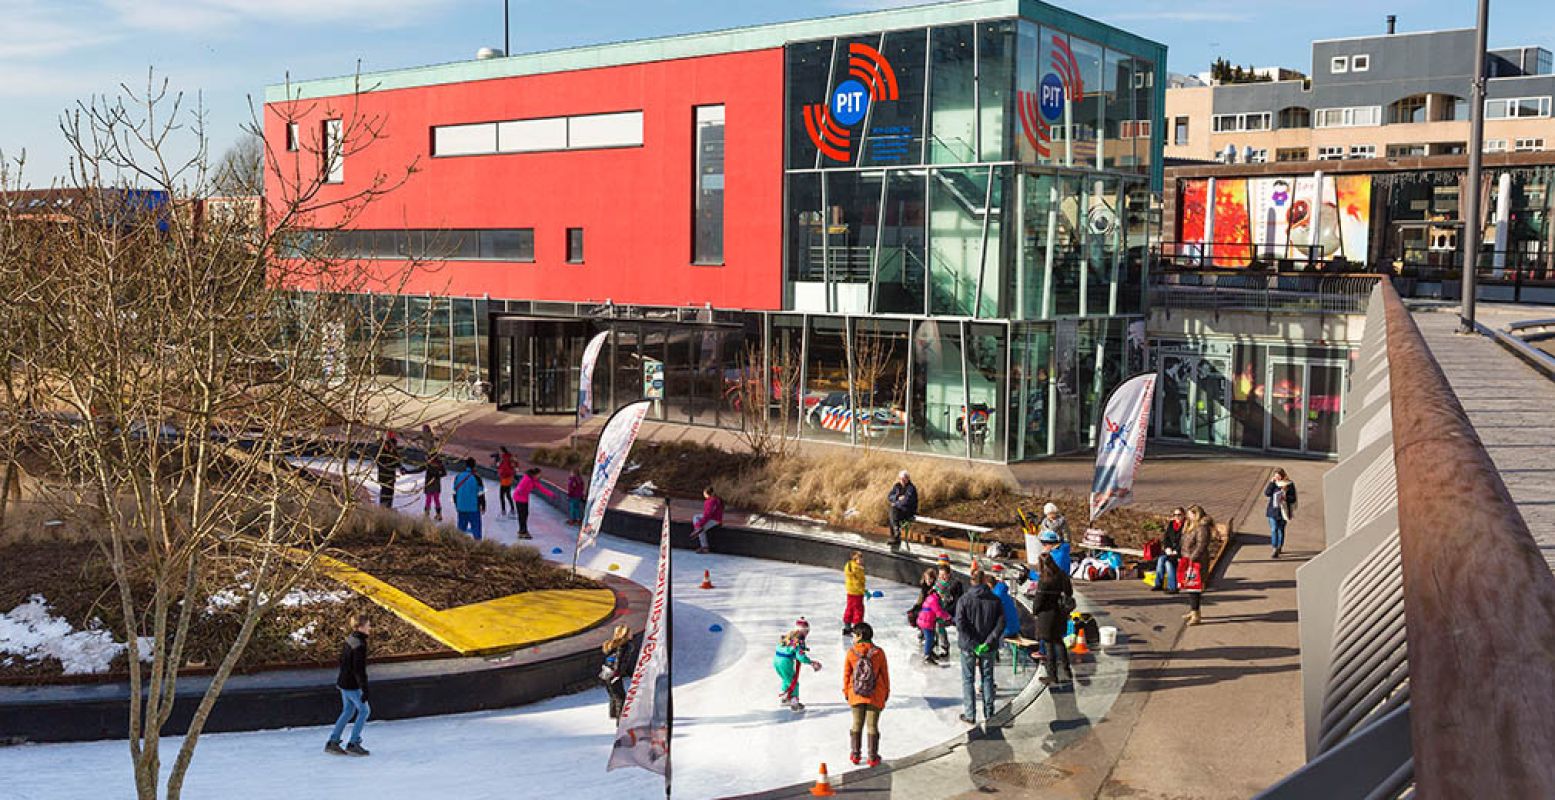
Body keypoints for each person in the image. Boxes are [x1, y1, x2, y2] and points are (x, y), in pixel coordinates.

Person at [954, 569, 1005, 725]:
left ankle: (970, 714)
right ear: (984, 581)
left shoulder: (964, 600)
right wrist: (987, 642)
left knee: (968, 679)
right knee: (988, 679)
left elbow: (961, 624)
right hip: (988, 647)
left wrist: (974, 644)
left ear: (971, 581)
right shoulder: (995, 600)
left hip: (968, 647)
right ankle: (989, 713)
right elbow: (1001, 624)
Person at [842, 622, 890, 768]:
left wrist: (846, 691)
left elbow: (847, 674)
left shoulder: (851, 652)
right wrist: (886, 692)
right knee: (872, 725)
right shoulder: (879, 652)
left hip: (856, 693)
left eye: (854, 635)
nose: (853, 639)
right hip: (875, 694)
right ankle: (872, 757)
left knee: (857, 723)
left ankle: (855, 755)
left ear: (860, 635)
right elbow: (884, 674)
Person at [1032, 530, 1075, 686]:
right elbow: (1069, 592)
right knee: (1059, 641)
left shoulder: (1044, 581)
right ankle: (1067, 670)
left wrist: (1034, 611)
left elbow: (1038, 601)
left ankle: (1052, 675)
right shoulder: (1062, 575)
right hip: (1060, 612)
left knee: (1049, 645)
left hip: (1046, 616)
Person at [325, 614, 372, 757]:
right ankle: (353, 743)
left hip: (343, 682)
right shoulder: (359, 645)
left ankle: (333, 742)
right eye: (368, 625)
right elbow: (359, 669)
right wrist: (364, 688)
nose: (370, 628)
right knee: (364, 711)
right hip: (352, 685)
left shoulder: (350, 639)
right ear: (360, 627)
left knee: (348, 711)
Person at [773, 618, 822, 711]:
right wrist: (811, 662)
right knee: (794, 682)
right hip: (785, 663)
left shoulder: (788, 636)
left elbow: (786, 647)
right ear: (803, 631)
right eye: (807, 631)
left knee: (786, 679)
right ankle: (794, 702)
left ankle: (784, 697)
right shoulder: (798, 640)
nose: (807, 634)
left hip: (776, 660)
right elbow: (801, 657)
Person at [1181, 505, 1214, 625]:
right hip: (1188, 559)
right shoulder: (1192, 526)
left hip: (1196, 562)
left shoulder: (1202, 528)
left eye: (1190, 514)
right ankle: (1194, 611)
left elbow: (1201, 545)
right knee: (1191, 588)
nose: (1188, 516)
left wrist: (1192, 558)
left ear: (1196, 514)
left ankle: (1196, 614)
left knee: (1194, 588)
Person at [600, 624, 635, 720]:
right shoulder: (625, 645)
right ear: (624, 634)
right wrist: (617, 673)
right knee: (621, 697)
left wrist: (631, 674)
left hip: (606, 672)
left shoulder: (613, 645)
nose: (632, 634)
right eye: (630, 632)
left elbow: (623, 663)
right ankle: (621, 720)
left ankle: (613, 714)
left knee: (613, 694)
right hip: (613, 673)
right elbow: (620, 660)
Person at [915, 582, 953, 665]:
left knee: (931, 638)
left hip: (927, 621)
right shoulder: (934, 600)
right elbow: (939, 612)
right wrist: (948, 617)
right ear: (938, 591)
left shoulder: (932, 597)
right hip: (926, 622)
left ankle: (930, 653)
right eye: (943, 593)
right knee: (930, 639)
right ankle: (927, 656)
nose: (944, 595)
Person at [931, 564, 963, 660]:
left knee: (939, 623)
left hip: (953, 612)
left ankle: (946, 647)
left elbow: (958, 601)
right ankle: (934, 643)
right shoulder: (938, 583)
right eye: (940, 575)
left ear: (949, 574)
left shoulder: (956, 584)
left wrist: (946, 613)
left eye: (944, 575)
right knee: (931, 620)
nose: (942, 578)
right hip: (941, 611)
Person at [512, 468, 554, 540]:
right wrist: (521, 493)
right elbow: (520, 488)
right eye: (539, 474)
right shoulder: (527, 479)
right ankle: (522, 532)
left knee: (525, 514)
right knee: (522, 515)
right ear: (535, 474)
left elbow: (541, 488)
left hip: (524, 499)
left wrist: (551, 494)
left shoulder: (534, 481)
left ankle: (523, 530)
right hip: (519, 499)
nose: (540, 476)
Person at [1264, 468, 1297, 558]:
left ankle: (1279, 546)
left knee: (1281, 530)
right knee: (1274, 529)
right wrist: (1271, 483)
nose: (1276, 477)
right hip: (1273, 511)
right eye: (1275, 476)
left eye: (1278, 476)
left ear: (1282, 475)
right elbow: (1267, 493)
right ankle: (1275, 548)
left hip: (1283, 511)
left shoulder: (1289, 484)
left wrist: (1285, 498)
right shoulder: (1274, 484)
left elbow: (1293, 498)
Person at [1154, 507, 1186, 593]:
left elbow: (1185, 541)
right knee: (1161, 559)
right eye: (1175, 515)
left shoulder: (1186, 526)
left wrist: (1177, 551)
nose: (1177, 517)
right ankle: (1158, 584)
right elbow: (1166, 538)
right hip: (1170, 550)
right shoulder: (1172, 524)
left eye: (1179, 515)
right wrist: (1167, 548)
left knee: (1168, 563)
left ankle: (1172, 587)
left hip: (1180, 552)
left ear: (1184, 515)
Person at [451, 458, 485, 540]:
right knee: (476, 528)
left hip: (461, 506)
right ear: (474, 466)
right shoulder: (477, 478)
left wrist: (457, 505)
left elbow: (454, 493)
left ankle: (459, 545)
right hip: (473, 508)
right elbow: (481, 494)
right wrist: (483, 506)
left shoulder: (458, 476)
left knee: (461, 529)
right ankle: (477, 545)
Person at [990, 567, 1021, 655]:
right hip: (1015, 628)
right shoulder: (1003, 594)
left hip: (1007, 630)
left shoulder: (996, 596)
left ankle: (989, 655)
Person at [886, 470, 918, 552]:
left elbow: (906, 501)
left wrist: (896, 503)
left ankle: (895, 536)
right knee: (892, 512)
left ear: (908, 479)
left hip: (908, 511)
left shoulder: (911, 488)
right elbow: (889, 497)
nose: (902, 481)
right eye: (901, 479)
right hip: (899, 510)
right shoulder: (897, 486)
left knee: (893, 511)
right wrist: (897, 498)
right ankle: (896, 535)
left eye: (904, 479)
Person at [1039, 503, 1072, 575]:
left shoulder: (1061, 521)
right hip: (1049, 542)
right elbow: (1042, 532)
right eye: (1048, 514)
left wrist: (1066, 542)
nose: (1051, 516)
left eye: (1052, 513)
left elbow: (1066, 532)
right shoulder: (1045, 523)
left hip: (1059, 542)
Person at [690, 486, 724, 554]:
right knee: (696, 517)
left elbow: (707, 514)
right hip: (717, 518)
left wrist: (699, 524)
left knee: (701, 529)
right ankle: (698, 529)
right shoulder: (717, 500)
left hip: (714, 519)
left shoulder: (710, 501)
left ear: (706, 493)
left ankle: (704, 547)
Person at [841, 551, 867, 636]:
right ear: (855, 559)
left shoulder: (849, 566)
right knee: (858, 610)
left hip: (850, 592)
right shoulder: (857, 569)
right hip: (857, 593)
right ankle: (858, 629)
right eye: (860, 558)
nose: (862, 560)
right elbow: (857, 582)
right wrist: (864, 591)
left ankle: (847, 628)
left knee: (850, 608)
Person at [374, 432, 401, 509]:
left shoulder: (393, 451)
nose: (392, 447)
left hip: (390, 476)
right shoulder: (381, 451)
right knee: (385, 493)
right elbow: (381, 463)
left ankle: (388, 508)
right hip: (384, 476)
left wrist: (400, 466)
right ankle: (383, 509)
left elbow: (397, 460)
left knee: (390, 493)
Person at [421, 453, 446, 522]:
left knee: (429, 499)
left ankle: (426, 515)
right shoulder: (439, 464)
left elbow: (419, 469)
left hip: (429, 484)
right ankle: (439, 515)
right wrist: (438, 476)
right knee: (436, 499)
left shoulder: (428, 465)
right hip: (436, 485)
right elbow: (444, 473)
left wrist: (408, 472)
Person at [495, 447, 517, 518]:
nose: (499, 453)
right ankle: (512, 509)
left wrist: (500, 472)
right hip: (507, 478)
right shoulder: (508, 458)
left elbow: (504, 468)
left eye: (500, 451)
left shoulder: (505, 459)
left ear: (503, 452)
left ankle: (504, 511)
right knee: (507, 495)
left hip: (505, 479)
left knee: (502, 495)